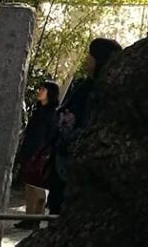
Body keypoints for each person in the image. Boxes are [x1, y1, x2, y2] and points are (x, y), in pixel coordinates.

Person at [48, 38, 121, 216]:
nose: (87, 60)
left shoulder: (88, 89)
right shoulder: (113, 89)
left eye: (90, 55)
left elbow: (66, 120)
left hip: (72, 163)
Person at [14, 80, 60, 227]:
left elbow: (46, 135)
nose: (39, 91)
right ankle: (30, 218)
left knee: (37, 189)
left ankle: (34, 219)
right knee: (30, 188)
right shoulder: (40, 110)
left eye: (43, 89)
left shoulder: (51, 113)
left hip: (39, 154)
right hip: (31, 151)